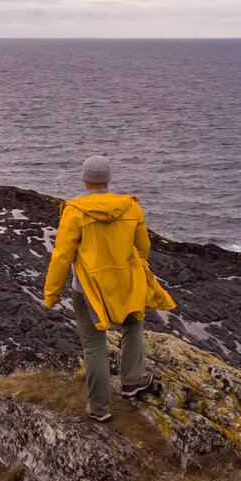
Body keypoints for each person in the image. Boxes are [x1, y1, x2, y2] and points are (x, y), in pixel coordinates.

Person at [44, 155, 175, 422]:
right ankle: (131, 382)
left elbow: (62, 256)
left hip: (88, 290)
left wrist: (52, 293)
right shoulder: (130, 207)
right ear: (108, 179)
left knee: (94, 347)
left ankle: (100, 409)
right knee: (133, 326)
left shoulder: (74, 211)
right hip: (126, 283)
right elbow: (144, 249)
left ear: (85, 180)